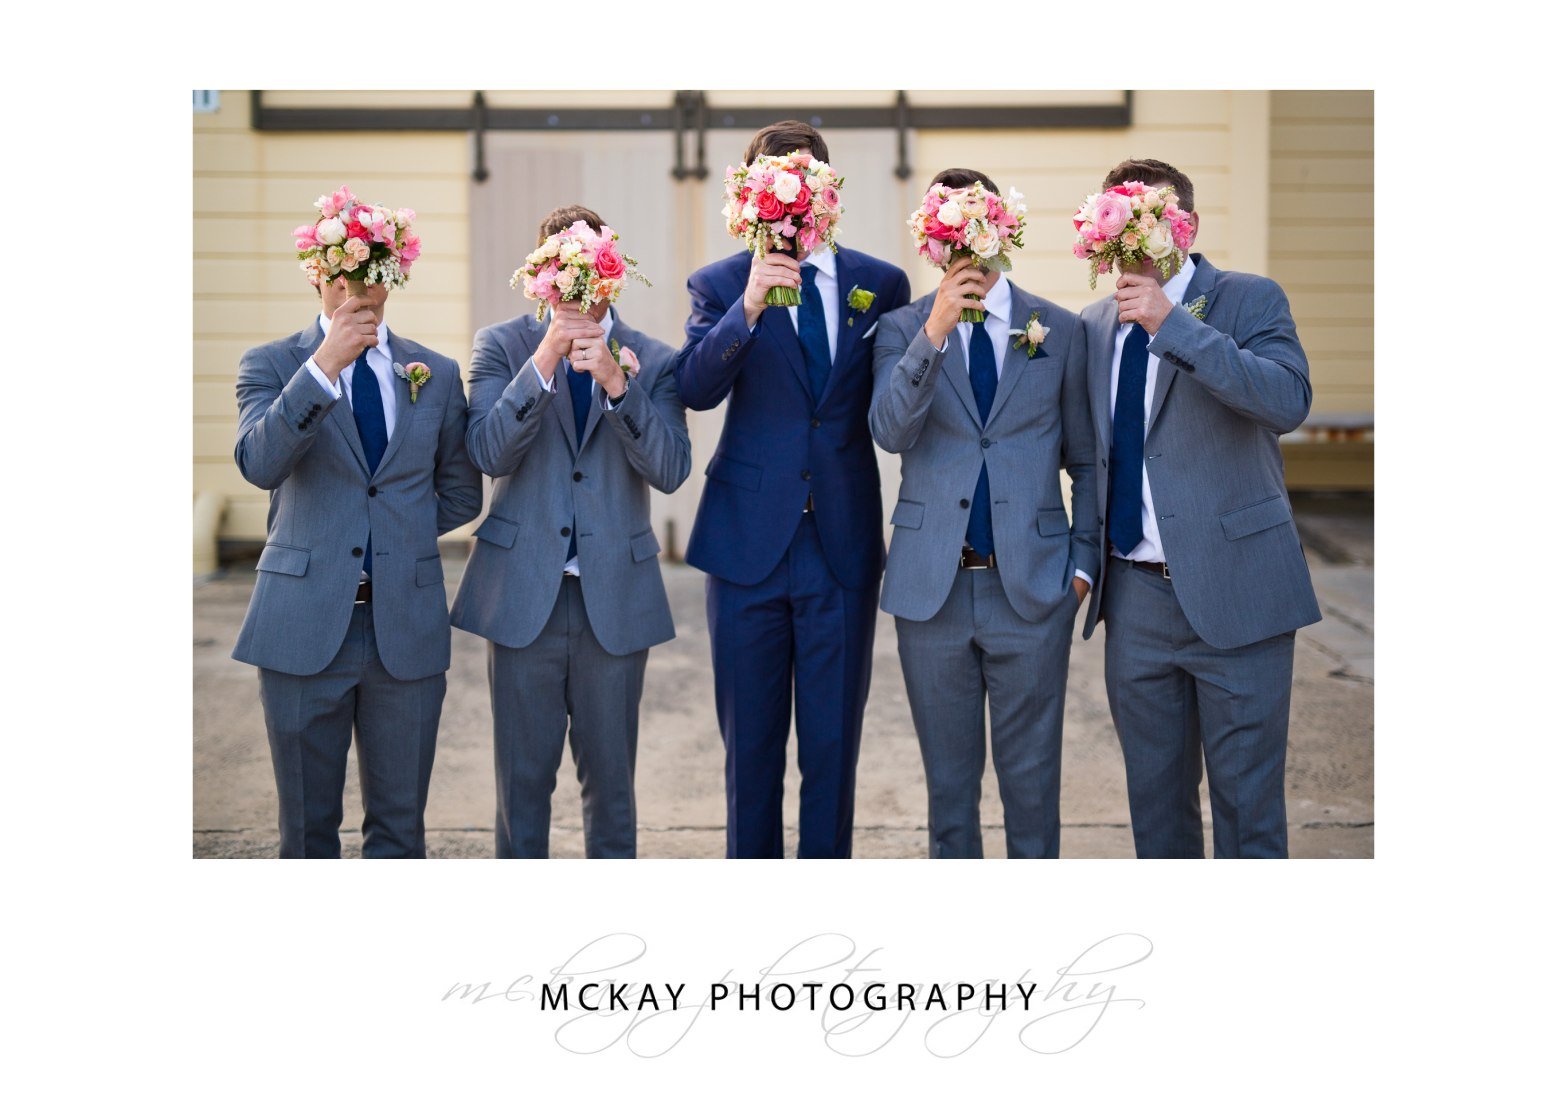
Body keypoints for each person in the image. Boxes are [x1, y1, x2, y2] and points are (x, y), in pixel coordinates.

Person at [676, 121, 911, 858]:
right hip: (746, 543)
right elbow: (694, 387)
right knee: (750, 750)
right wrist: (747, 308)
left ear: (826, 191)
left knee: (832, 748)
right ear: (748, 195)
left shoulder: (882, 283)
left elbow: (893, 403)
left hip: (840, 546)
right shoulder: (718, 283)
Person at [1081, 157, 1321, 858]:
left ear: (1180, 228)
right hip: (1135, 603)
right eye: (1112, 222)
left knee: (1248, 815)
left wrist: (1172, 325)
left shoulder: (1249, 298)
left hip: (1240, 594)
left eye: (1144, 221)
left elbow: (1285, 401)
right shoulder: (1094, 326)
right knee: (1156, 819)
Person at [232, 204, 481, 858]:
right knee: (308, 832)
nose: (360, 287)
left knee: (400, 832)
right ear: (317, 273)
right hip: (301, 623)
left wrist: (394, 537)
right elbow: (259, 464)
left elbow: (460, 493)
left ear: (392, 275)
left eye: (376, 270)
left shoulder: (437, 373)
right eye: (344, 270)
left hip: (406, 628)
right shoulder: (269, 364)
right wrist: (322, 368)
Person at [870, 168, 1098, 858]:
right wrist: (932, 334)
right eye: (944, 229)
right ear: (929, 244)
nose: (961, 243)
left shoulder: (1056, 329)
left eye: (973, 225)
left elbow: (1085, 460)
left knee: (1032, 785)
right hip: (930, 590)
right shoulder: (900, 329)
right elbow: (888, 431)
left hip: (1031, 587)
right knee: (948, 789)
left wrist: (1081, 567)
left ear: (1003, 231)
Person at [451, 205, 691, 859]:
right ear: (540, 278)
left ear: (611, 275)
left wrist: (618, 384)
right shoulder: (500, 346)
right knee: (520, 790)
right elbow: (487, 453)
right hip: (521, 595)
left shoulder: (657, 360)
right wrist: (545, 360)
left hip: (614, 600)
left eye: (589, 270)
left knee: (612, 790)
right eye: (561, 271)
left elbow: (670, 469)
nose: (578, 286)